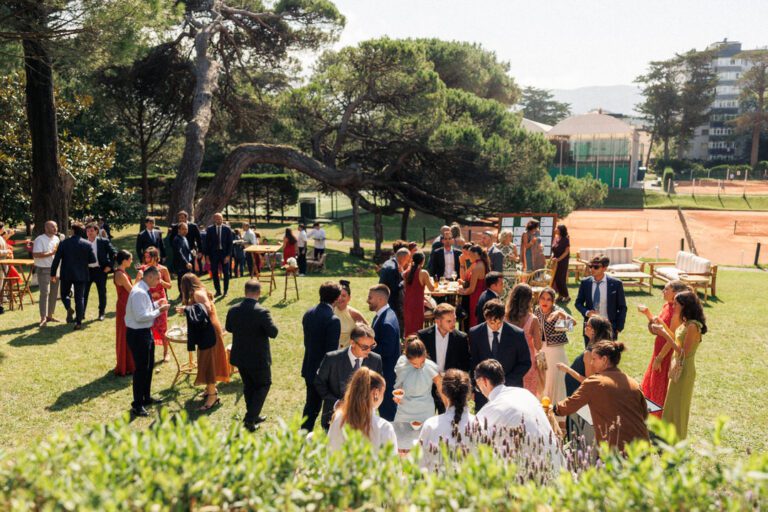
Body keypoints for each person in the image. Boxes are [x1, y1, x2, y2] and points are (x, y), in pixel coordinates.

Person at [554, 340, 649, 452]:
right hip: (642, 447)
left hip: (616, 449)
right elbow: (645, 414)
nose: (591, 363)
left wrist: (553, 408)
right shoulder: (634, 383)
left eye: (594, 359)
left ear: (604, 360)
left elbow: (568, 406)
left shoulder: (595, 382)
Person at [474, 359, 561, 468]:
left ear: (484, 381)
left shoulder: (492, 408)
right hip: (556, 461)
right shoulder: (525, 393)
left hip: (532, 468)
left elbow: (473, 440)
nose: (480, 391)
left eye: (478, 387)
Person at [651, 290, 707, 440]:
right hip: (676, 368)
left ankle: (678, 439)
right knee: (671, 404)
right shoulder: (685, 323)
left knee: (680, 406)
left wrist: (664, 335)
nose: (673, 305)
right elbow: (676, 339)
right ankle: (668, 437)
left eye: (676, 303)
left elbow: (684, 353)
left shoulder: (693, 326)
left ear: (685, 305)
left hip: (685, 370)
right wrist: (662, 328)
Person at [225, 280, 279, 431]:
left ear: (245, 292)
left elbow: (229, 328)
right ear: (259, 293)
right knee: (263, 384)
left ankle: (253, 415)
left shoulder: (233, 309)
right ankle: (250, 419)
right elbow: (273, 332)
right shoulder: (262, 312)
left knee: (249, 386)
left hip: (240, 355)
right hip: (258, 358)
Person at [557, 315, 613, 445]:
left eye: (588, 325)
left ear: (594, 331)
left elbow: (588, 381)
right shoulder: (600, 348)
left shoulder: (590, 352)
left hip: (579, 391)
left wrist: (567, 370)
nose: (585, 326)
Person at [315, 324, 383, 430]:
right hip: (335, 418)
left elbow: (378, 386)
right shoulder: (332, 359)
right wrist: (336, 403)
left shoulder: (376, 360)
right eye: (365, 347)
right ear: (352, 342)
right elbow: (319, 383)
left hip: (364, 421)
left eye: (372, 346)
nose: (369, 350)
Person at [179, 273, 231, 410]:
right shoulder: (199, 291)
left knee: (209, 362)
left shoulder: (198, 293)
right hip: (207, 329)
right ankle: (209, 389)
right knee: (206, 359)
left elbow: (206, 309)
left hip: (209, 331)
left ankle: (213, 396)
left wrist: (187, 309)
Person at [469, 299, 532, 410]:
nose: (496, 326)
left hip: (510, 390)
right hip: (483, 393)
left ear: (503, 317)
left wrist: (503, 383)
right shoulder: (475, 333)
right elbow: (473, 361)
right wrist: (476, 386)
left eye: (499, 322)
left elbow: (525, 362)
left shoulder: (517, 334)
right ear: (485, 318)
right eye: (492, 323)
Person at [124, 266, 170, 416]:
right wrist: (159, 311)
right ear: (149, 277)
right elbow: (140, 316)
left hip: (145, 332)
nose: (159, 282)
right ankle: (137, 404)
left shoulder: (144, 289)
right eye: (157, 279)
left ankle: (146, 397)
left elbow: (146, 308)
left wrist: (157, 304)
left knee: (149, 366)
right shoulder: (139, 292)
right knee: (141, 369)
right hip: (138, 334)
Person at [640, 281, 688, 416]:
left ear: (675, 293)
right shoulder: (667, 305)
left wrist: (660, 358)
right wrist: (648, 314)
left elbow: (672, 337)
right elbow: (659, 327)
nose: (663, 291)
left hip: (666, 351)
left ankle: (658, 416)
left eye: (666, 289)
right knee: (652, 382)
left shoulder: (677, 312)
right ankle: (650, 412)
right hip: (659, 348)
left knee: (659, 384)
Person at [301, 281, 343, 431]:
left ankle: (304, 434)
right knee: (328, 407)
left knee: (311, 406)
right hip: (323, 372)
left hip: (309, 366)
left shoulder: (308, 313)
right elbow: (331, 353)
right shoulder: (333, 320)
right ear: (337, 298)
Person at [327, 368, 397, 452]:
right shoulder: (384, 427)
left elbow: (329, 451)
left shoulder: (337, 418)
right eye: (383, 393)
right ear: (376, 393)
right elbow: (392, 459)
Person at [417, 303, 471, 413]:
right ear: (438, 321)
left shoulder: (461, 338)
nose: (453, 324)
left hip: (450, 388)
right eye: (449, 321)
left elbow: (465, 365)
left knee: (448, 419)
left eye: (454, 320)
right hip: (427, 386)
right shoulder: (423, 336)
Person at [418, 369, 474, 470]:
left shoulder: (431, 425)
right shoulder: (479, 424)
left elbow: (419, 464)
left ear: (443, 392)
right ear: (468, 393)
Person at [393, 338, 443, 440]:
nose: (419, 366)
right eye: (414, 364)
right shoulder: (402, 364)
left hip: (425, 409)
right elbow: (399, 385)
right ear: (408, 359)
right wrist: (397, 397)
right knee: (400, 439)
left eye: (422, 362)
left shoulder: (430, 366)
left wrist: (447, 404)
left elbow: (440, 385)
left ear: (425, 354)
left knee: (425, 441)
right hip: (405, 409)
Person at [50, 222, 96, 330]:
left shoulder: (64, 243)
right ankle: (79, 322)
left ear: (73, 231)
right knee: (80, 298)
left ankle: (68, 307)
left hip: (66, 273)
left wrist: (53, 274)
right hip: (81, 274)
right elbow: (92, 260)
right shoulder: (87, 244)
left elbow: (56, 259)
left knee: (64, 294)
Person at [575, 255, 627, 345]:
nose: (592, 269)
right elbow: (578, 303)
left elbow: (622, 307)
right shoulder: (585, 283)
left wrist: (619, 327)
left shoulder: (616, 284)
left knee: (608, 353)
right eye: (590, 266)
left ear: (604, 268)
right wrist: (587, 312)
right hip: (590, 328)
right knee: (590, 353)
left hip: (609, 328)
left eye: (596, 267)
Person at [367, 284, 401, 421]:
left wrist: (366, 347)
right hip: (384, 373)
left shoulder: (387, 322)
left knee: (387, 413)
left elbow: (387, 350)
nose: (367, 300)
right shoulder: (383, 314)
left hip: (386, 374)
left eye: (370, 298)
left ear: (380, 300)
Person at [534, 287, 573, 406]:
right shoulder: (537, 311)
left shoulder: (557, 311)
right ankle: (542, 407)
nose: (545, 302)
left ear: (553, 301)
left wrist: (561, 314)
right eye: (542, 298)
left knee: (554, 379)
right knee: (542, 378)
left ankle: (556, 407)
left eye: (548, 299)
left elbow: (572, 325)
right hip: (541, 350)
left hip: (555, 351)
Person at [505, 283, 544, 397]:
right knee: (528, 396)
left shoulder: (505, 317)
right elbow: (538, 346)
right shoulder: (533, 319)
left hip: (509, 359)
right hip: (528, 361)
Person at [137, 247, 172, 362]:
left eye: (148, 257)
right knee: (148, 327)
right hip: (147, 300)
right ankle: (148, 353)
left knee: (163, 327)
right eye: (145, 257)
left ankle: (166, 352)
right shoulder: (143, 269)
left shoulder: (163, 269)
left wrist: (160, 281)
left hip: (161, 300)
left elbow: (169, 286)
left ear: (155, 257)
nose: (146, 259)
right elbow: (138, 287)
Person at [83, 222, 116, 321]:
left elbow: (114, 253)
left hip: (100, 270)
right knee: (84, 293)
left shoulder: (103, 241)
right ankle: (81, 313)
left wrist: (109, 266)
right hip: (87, 271)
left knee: (102, 292)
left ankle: (101, 313)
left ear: (96, 231)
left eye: (91, 231)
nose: (89, 233)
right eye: (88, 231)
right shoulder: (83, 242)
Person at [32, 220, 61, 327]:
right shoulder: (40, 239)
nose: (55, 228)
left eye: (56, 226)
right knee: (44, 293)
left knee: (54, 293)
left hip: (55, 269)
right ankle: (43, 317)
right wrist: (51, 253)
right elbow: (36, 254)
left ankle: (50, 316)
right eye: (53, 227)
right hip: (44, 269)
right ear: (46, 228)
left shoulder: (57, 238)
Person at [113, 250, 135, 377]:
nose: (131, 261)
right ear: (124, 260)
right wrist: (139, 278)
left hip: (126, 304)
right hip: (124, 306)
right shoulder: (120, 274)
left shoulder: (121, 272)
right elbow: (132, 291)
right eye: (130, 259)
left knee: (128, 333)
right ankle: (125, 365)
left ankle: (128, 363)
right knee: (125, 334)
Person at [402, 252, 435, 336]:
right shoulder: (423, 273)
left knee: (408, 326)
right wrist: (432, 281)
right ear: (423, 261)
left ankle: (408, 342)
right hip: (417, 303)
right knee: (417, 326)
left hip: (407, 302)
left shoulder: (407, 272)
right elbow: (431, 288)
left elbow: (405, 288)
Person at [378, 247, 410, 329]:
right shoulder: (393, 269)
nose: (407, 262)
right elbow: (395, 288)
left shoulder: (388, 262)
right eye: (407, 259)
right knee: (398, 323)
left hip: (382, 296)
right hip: (391, 301)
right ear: (403, 258)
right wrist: (404, 281)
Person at [458, 245, 489, 328]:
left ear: (475, 254)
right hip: (481, 294)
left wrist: (461, 291)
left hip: (476, 296)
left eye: (469, 254)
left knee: (474, 319)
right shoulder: (482, 263)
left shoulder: (477, 267)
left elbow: (471, 289)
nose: (468, 256)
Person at [204, 213, 234, 297]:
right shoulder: (210, 229)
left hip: (224, 254)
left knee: (226, 273)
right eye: (217, 218)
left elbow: (230, 244)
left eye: (220, 218)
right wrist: (207, 256)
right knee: (214, 272)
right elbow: (207, 243)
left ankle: (225, 291)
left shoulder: (227, 229)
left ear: (222, 219)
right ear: (214, 219)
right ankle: (218, 291)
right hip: (213, 254)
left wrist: (228, 256)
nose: (219, 220)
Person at [333, 280, 368, 348]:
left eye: (343, 296)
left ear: (349, 298)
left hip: (348, 352)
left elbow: (368, 332)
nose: (340, 298)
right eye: (338, 295)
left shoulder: (355, 314)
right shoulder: (330, 311)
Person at [550, 225, 571, 303]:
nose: (555, 229)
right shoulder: (555, 238)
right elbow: (553, 250)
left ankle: (567, 296)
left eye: (557, 228)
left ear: (560, 230)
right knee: (556, 279)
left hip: (562, 262)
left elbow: (566, 252)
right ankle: (560, 296)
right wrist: (552, 257)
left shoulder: (565, 239)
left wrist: (558, 259)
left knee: (561, 279)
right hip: (555, 262)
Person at [497, 230, 519, 302]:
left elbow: (518, 259)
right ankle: (500, 305)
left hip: (511, 272)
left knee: (511, 290)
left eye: (511, 236)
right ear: (504, 236)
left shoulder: (513, 246)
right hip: (501, 271)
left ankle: (509, 305)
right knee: (501, 289)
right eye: (509, 236)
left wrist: (514, 258)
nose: (511, 237)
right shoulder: (497, 246)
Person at [172, 222, 194, 292]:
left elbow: (186, 250)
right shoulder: (177, 239)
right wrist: (186, 262)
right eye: (183, 229)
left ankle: (186, 294)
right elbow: (179, 252)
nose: (185, 231)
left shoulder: (184, 238)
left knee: (188, 281)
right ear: (179, 230)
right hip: (181, 265)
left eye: (186, 229)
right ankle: (182, 295)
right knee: (182, 280)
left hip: (187, 264)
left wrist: (191, 252)